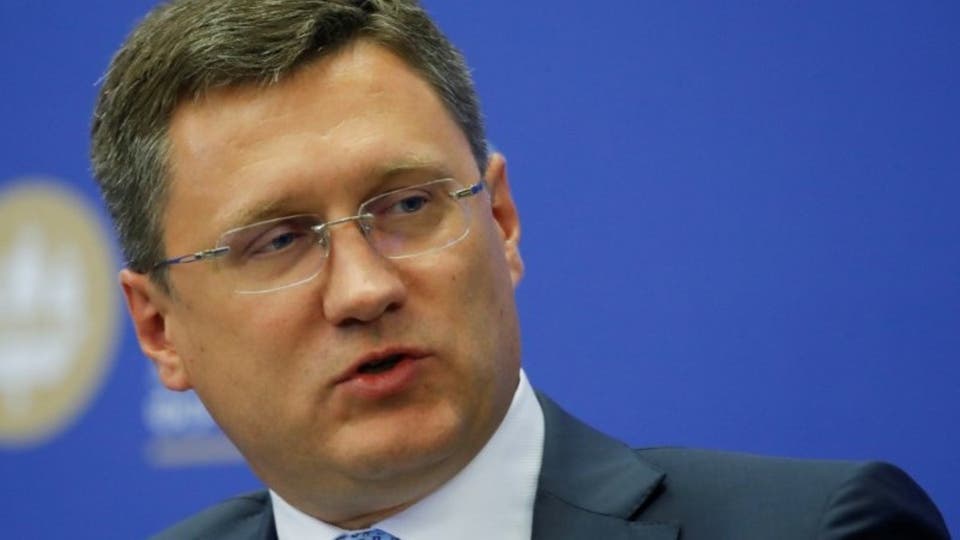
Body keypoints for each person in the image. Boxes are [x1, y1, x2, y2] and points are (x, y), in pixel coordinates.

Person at [90, 1, 949, 538]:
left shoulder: (818, 529)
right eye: (278, 241)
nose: (365, 289)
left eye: (408, 204)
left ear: (499, 220)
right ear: (161, 329)